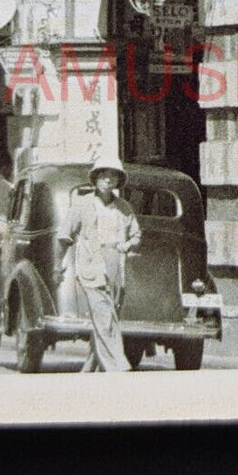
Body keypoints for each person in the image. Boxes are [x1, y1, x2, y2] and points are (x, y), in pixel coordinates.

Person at [60, 158, 141, 372]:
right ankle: (118, 365)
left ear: (118, 181)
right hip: (90, 264)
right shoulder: (82, 205)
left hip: (115, 264)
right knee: (104, 315)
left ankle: (89, 368)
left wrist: (127, 244)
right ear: (95, 179)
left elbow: (136, 235)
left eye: (113, 176)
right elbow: (64, 236)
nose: (108, 179)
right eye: (103, 175)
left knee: (108, 314)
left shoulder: (124, 208)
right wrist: (57, 266)